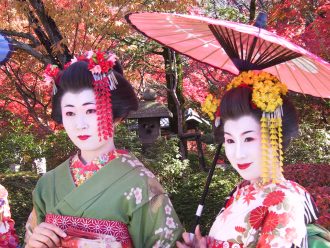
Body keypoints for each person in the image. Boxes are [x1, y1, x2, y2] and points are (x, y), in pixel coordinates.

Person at [24, 50, 182, 248]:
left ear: (117, 116)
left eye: (91, 110)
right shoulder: (47, 185)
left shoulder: (141, 185)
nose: (80, 124)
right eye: (70, 112)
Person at [177, 71, 319, 248]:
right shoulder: (241, 190)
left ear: (276, 137)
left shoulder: (284, 201)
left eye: (249, 138)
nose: (238, 153)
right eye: (230, 140)